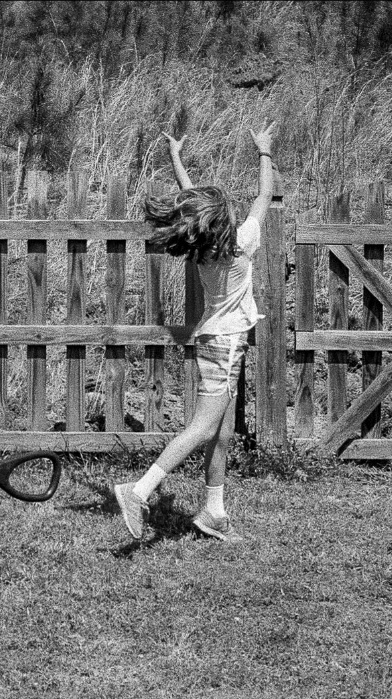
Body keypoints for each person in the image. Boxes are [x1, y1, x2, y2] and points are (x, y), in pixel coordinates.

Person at [114, 123, 277, 542]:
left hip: (216, 341)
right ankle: (138, 491)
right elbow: (264, 196)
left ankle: (213, 514)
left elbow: (191, 201)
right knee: (203, 429)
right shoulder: (242, 243)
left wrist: (176, 158)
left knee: (221, 435)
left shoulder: (202, 249)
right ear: (225, 221)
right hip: (224, 345)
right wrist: (264, 152)